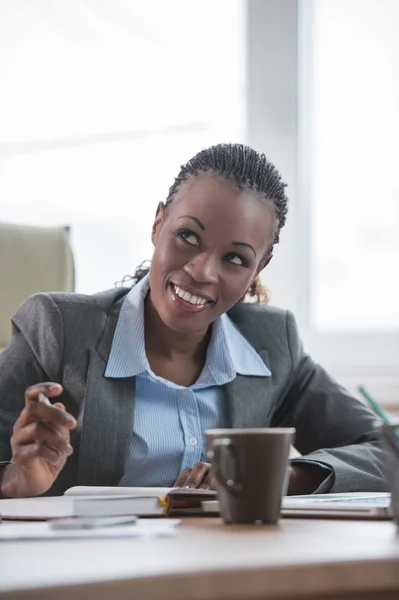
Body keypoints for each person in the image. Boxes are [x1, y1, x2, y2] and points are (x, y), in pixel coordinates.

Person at [0, 143, 387, 499]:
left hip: (221, 566)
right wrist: (15, 481)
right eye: (187, 236)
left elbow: (389, 451)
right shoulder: (57, 330)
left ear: (258, 269)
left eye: (235, 259)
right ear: (158, 223)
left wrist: (281, 476)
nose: (202, 271)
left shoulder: (272, 346)